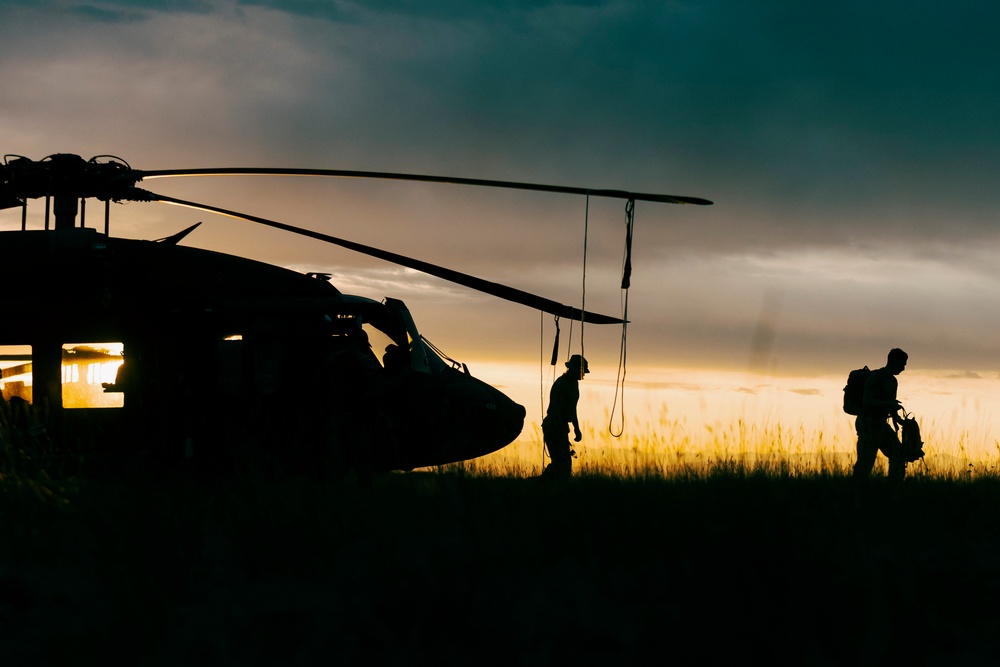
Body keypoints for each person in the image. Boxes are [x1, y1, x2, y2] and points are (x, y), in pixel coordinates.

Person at [854, 348, 908, 481]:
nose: (903, 368)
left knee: (898, 454)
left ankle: (893, 486)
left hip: (881, 425)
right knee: (866, 463)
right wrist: (889, 404)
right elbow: (867, 401)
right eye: (902, 364)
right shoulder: (875, 377)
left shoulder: (893, 381)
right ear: (893, 361)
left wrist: (901, 421)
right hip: (867, 424)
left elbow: (890, 405)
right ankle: (856, 489)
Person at [540, 354, 588, 480]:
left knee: (563, 463)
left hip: (561, 426)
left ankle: (546, 484)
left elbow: (572, 409)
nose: (583, 375)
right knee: (561, 463)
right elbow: (555, 411)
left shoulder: (574, 384)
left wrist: (576, 428)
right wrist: (560, 430)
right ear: (574, 369)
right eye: (582, 371)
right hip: (553, 425)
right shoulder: (561, 384)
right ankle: (543, 484)